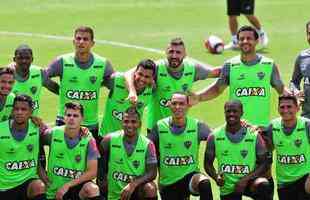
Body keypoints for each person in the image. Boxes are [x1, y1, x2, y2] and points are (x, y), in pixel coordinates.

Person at [190, 26, 288, 127]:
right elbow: (217, 89)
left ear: (256, 41)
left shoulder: (268, 65)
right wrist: (198, 97)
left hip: (262, 127)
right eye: (241, 39)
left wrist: (294, 95)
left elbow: (281, 89)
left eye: (249, 38)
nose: (245, 41)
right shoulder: (230, 65)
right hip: (237, 128)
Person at [127, 37, 221, 132]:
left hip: (179, 129)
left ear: (185, 54)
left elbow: (217, 72)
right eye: (171, 51)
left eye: (178, 52)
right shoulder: (157, 67)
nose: (174, 55)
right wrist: (132, 91)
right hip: (156, 130)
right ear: (166, 52)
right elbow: (129, 73)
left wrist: (199, 97)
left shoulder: (192, 68)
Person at [44, 26, 114, 142]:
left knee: (88, 158)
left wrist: (100, 85)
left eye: (85, 39)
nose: (81, 42)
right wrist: (59, 90)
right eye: (78, 38)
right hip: (65, 120)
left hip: (90, 122)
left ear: (92, 43)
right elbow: (43, 77)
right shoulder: (62, 61)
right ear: (73, 41)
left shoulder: (102, 64)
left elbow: (115, 82)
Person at [148, 92, 213, 200]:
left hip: (190, 176)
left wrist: (241, 126)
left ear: (188, 105)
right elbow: (144, 146)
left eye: (181, 104)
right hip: (168, 182)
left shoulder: (197, 125)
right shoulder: (160, 126)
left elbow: (218, 137)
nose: (177, 107)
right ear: (169, 104)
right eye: (174, 103)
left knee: (204, 182)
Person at [205, 100, 273, 200]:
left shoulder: (254, 136)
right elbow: (207, 163)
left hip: (249, 181)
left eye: (235, 111)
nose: (231, 114)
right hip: (227, 186)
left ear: (241, 113)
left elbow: (264, 163)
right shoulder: (214, 136)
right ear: (224, 112)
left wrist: (245, 179)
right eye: (228, 111)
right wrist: (216, 177)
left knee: (263, 185)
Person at [40, 102, 100, 200]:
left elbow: (93, 172)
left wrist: (67, 185)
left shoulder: (89, 139)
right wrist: (40, 170)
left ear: (82, 118)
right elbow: (32, 144)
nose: (71, 118)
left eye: (75, 116)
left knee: (92, 189)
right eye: (68, 115)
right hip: (53, 191)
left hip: (75, 189)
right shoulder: (52, 134)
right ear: (64, 117)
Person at [100, 107, 158, 200]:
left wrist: (133, 184)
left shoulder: (148, 144)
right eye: (126, 121)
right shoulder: (109, 140)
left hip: (136, 192)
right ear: (121, 123)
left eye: (133, 122)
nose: (129, 125)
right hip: (114, 195)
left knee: (150, 188)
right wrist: (103, 183)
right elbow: (99, 165)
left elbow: (152, 173)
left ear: (140, 124)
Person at [260, 95, 310, 200]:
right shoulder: (273, 126)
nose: (285, 110)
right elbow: (265, 148)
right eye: (282, 107)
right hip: (284, 182)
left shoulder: (306, 125)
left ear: (297, 108)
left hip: (305, 178)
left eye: (289, 106)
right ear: (278, 109)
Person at [0, 94, 46, 199]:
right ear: (12, 111)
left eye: (24, 109)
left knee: (39, 186)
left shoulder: (38, 127)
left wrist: (82, 130)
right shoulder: (1, 130)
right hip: (4, 187)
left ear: (31, 112)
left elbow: (60, 135)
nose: (19, 112)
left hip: (28, 183)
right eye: (16, 109)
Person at [100, 58, 155, 136]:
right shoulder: (117, 80)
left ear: (152, 78)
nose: (142, 79)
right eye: (140, 74)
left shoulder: (151, 88)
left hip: (132, 141)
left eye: (147, 77)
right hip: (108, 138)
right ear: (135, 73)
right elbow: (94, 85)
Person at [12, 44, 58, 116]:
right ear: (14, 59)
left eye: (27, 58)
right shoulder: (7, 76)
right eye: (20, 58)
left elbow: (56, 89)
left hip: (34, 123)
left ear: (32, 59)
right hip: (12, 124)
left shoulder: (38, 73)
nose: (24, 61)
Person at [290, 21, 310, 118]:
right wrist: (296, 92)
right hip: (307, 115)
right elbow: (294, 82)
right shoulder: (302, 57)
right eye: (309, 33)